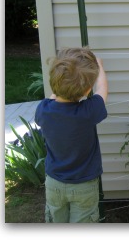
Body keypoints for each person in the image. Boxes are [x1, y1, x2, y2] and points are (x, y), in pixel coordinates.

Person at [35, 47, 108, 223]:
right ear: (87, 90)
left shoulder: (44, 110)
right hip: (84, 186)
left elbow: (55, 95)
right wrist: (99, 66)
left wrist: (62, 78)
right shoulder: (88, 112)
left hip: (54, 183)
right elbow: (102, 90)